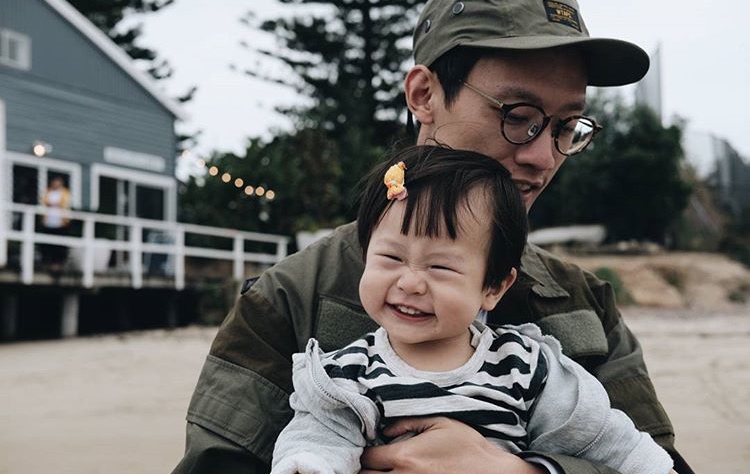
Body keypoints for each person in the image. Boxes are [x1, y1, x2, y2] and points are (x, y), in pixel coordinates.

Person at [173, 1, 695, 473]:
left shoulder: (584, 302)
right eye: (519, 117)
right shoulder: (290, 298)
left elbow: (655, 464)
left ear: (497, 284)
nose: (543, 157)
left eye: (566, 127)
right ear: (424, 95)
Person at [270, 146, 674, 474]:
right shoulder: (345, 374)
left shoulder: (524, 366)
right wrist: (307, 465)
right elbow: (315, 440)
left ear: (493, 287)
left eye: (440, 267)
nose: (410, 282)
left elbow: (601, 436)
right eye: (391, 258)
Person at [40, 176, 71, 271]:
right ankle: (47, 262)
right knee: (46, 243)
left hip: (60, 222)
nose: (56, 184)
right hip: (48, 222)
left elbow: (65, 204)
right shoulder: (47, 192)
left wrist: (54, 204)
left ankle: (57, 263)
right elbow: (43, 203)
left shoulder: (65, 192)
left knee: (59, 245)